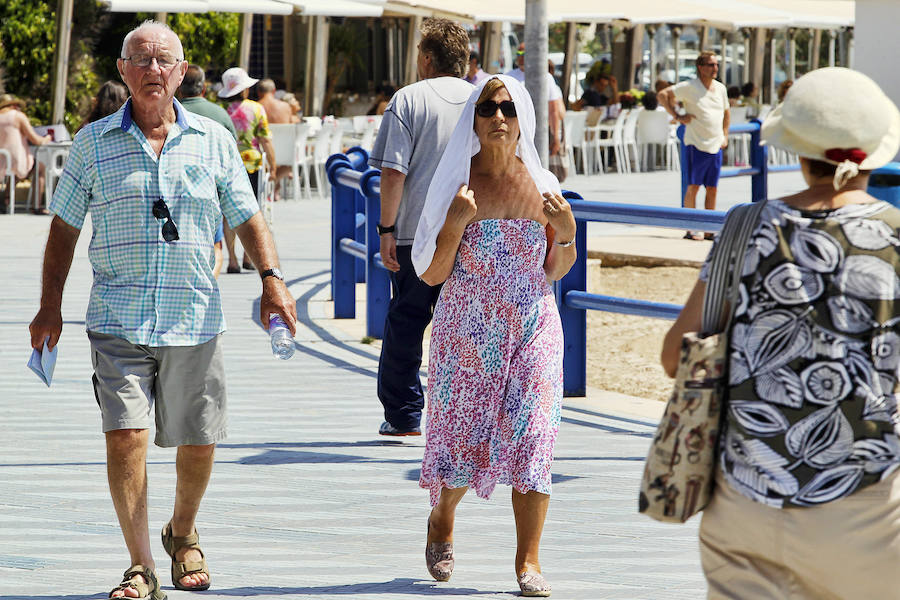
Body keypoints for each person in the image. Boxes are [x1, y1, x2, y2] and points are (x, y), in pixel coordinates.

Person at [27, 20, 297, 600]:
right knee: (125, 436)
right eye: (141, 60)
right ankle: (142, 564)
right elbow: (64, 229)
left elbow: (248, 215)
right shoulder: (93, 143)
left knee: (199, 440)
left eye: (164, 60)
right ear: (123, 72)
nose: (153, 70)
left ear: (181, 73)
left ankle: (183, 528)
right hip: (118, 318)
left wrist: (272, 280)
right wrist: (49, 306)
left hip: (194, 314)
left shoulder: (214, 139)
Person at [660, 66, 900, 600]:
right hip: (866, 508)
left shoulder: (744, 228)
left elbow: (676, 354)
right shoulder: (893, 239)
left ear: (797, 148)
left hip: (744, 503)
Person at [412, 74, 576, 597]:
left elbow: (556, 268)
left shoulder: (543, 185)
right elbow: (432, 275)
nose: (498, 117)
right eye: (487, 108)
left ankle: (528, 560)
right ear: (474, 120)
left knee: (534, 440)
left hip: (533, 325)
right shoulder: (456, 186)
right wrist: (456, 225)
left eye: (507, 107)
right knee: (464, 445)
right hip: (467, 331)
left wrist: (568, 237)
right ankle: (443, 516)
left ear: (523, 115)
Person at [367, 17, 472, 437]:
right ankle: (461, 415)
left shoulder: (408, 100)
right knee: (464, 323)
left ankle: (405, 414)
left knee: (408, 319)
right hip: (471, 230)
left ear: (427, 59)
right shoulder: (485, 98)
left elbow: (393, 173)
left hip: (416, 233)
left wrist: (385, 230)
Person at [659, 51, 730, 240]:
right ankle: (691, 228)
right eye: (710, 65)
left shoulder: (720, 88)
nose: (715, 68)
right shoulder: (690, 86)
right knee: (693, 186)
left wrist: (725, 135)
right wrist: (677, 116)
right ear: (700, 67)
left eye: (716, 64)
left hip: (715, 144)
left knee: (712, 188)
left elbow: (726, 112)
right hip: (696, 143)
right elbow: (663, 94)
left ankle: (709, 228)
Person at [178, 64, 238, 279]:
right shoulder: (220, 114)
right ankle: (233, 259)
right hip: (216, 187)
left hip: (179, 193)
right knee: (219, 230)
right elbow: (233, 151)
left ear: (178, 88)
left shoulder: (169, 113)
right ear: (203, 89)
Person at [219, 67, 277, 273]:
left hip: (227, 165)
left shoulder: (221, 112)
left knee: (226, 214)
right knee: (251, 211)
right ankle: (247, 258)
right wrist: (273, 165)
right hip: (251, 164)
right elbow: (265, 139)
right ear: (244, 90)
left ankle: (232, 260)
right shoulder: (256, 108)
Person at [504, 44, 564, 164]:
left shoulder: (546, 77)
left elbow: (553, 110)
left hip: (539, 132)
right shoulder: (509, 76)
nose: (520, 57)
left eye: (523, 54)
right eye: (518, 54)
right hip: (515, 132)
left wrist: (556, 137)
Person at [0, 94, 51, 214]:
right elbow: (35, 139)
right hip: (15, 159)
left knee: (16, 171)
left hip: (2, 160)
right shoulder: (18, 117)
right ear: (13, 105)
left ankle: (7, 199)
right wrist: (47, 138)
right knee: (40, 168)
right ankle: (36, 206)